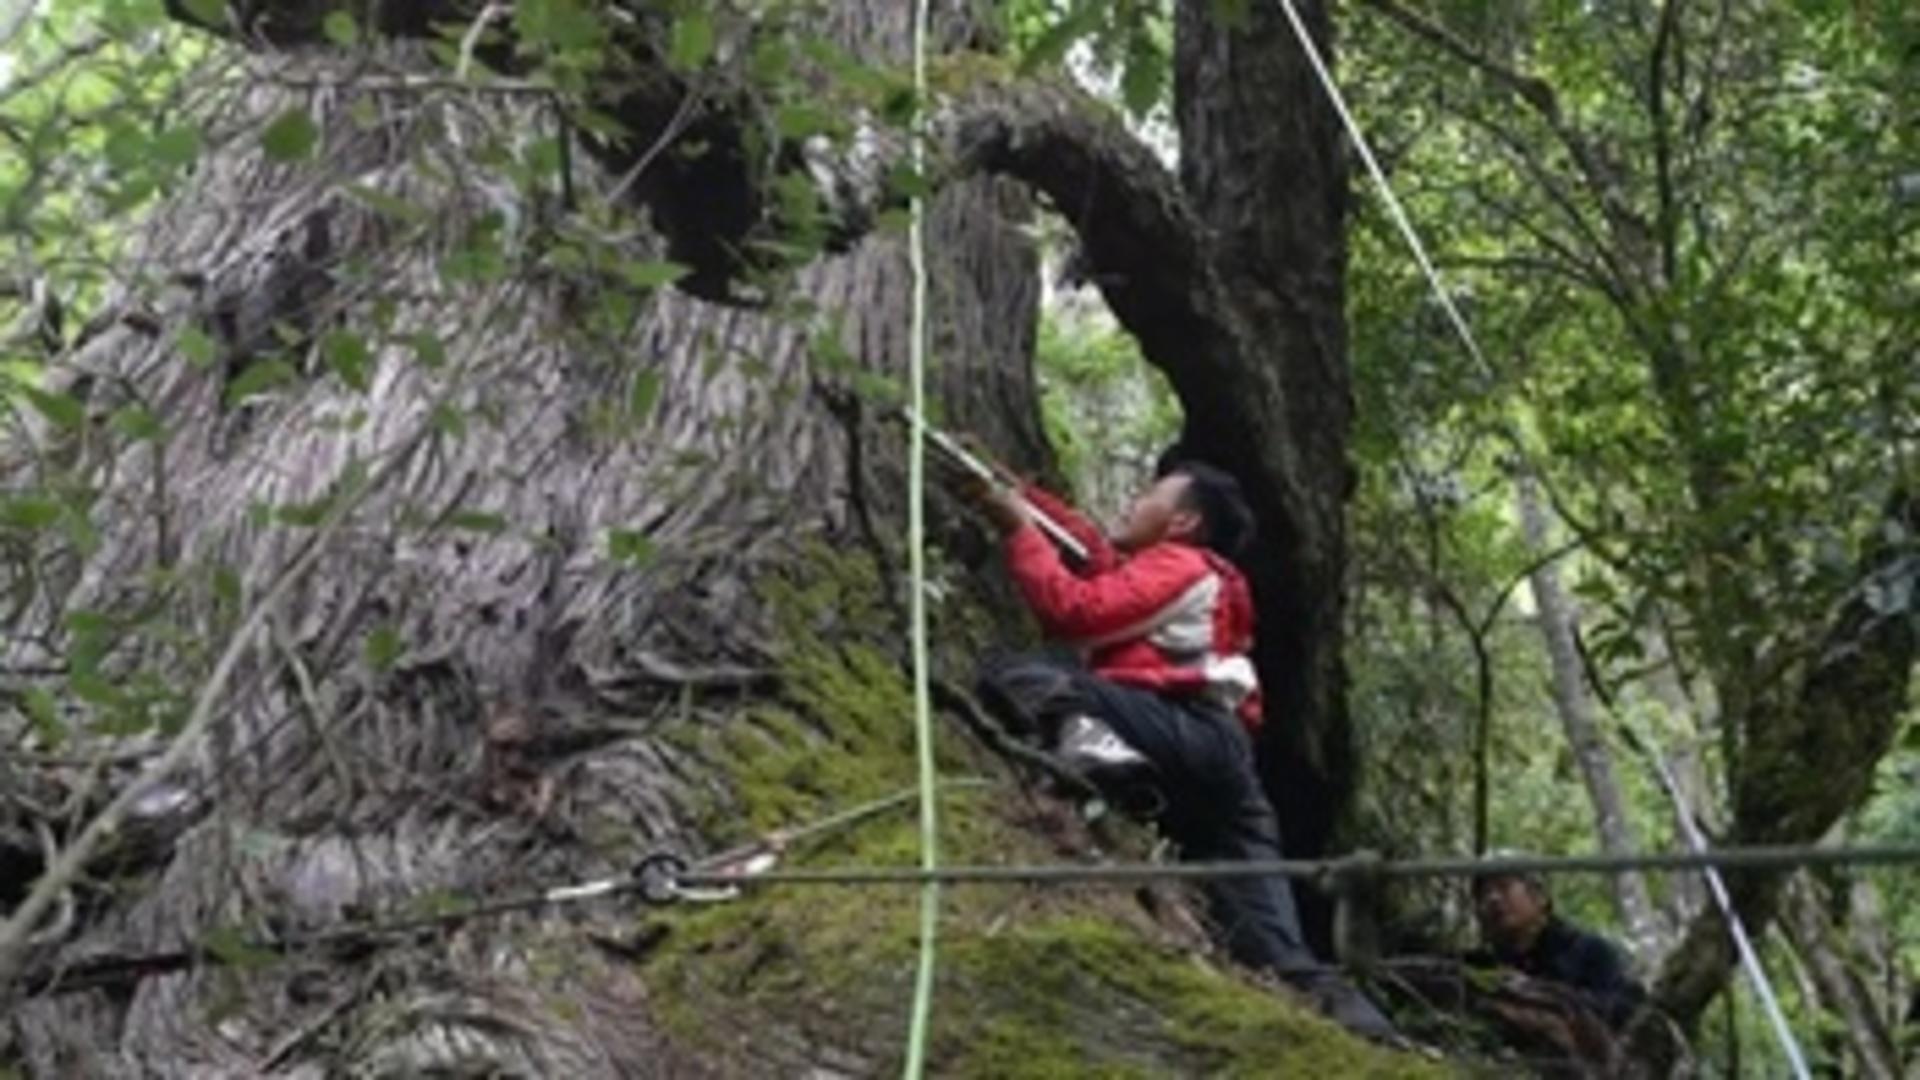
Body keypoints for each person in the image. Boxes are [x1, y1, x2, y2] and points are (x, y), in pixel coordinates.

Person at [953, 457, 1396, 1039]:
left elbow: (1074, 611)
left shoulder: (1181, 565)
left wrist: (1017, 529)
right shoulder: (1175, 571)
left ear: (1183, 522)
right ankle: (1362, 1031)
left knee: (1019, 673)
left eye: (1148, 495)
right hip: (1220, 758)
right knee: (1268, 933)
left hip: (1183, 729)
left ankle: (1097, 748)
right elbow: (1092, 554)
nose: (1133, 501)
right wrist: (1019, 496)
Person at [1468, 863, 1646, 1028]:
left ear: (1540, 897)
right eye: (1484, 893)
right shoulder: (1481, 966)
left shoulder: (1590, 951)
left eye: (1503, 887)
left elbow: (1628, 1011)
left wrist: (1543, 994)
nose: (1493, 898)